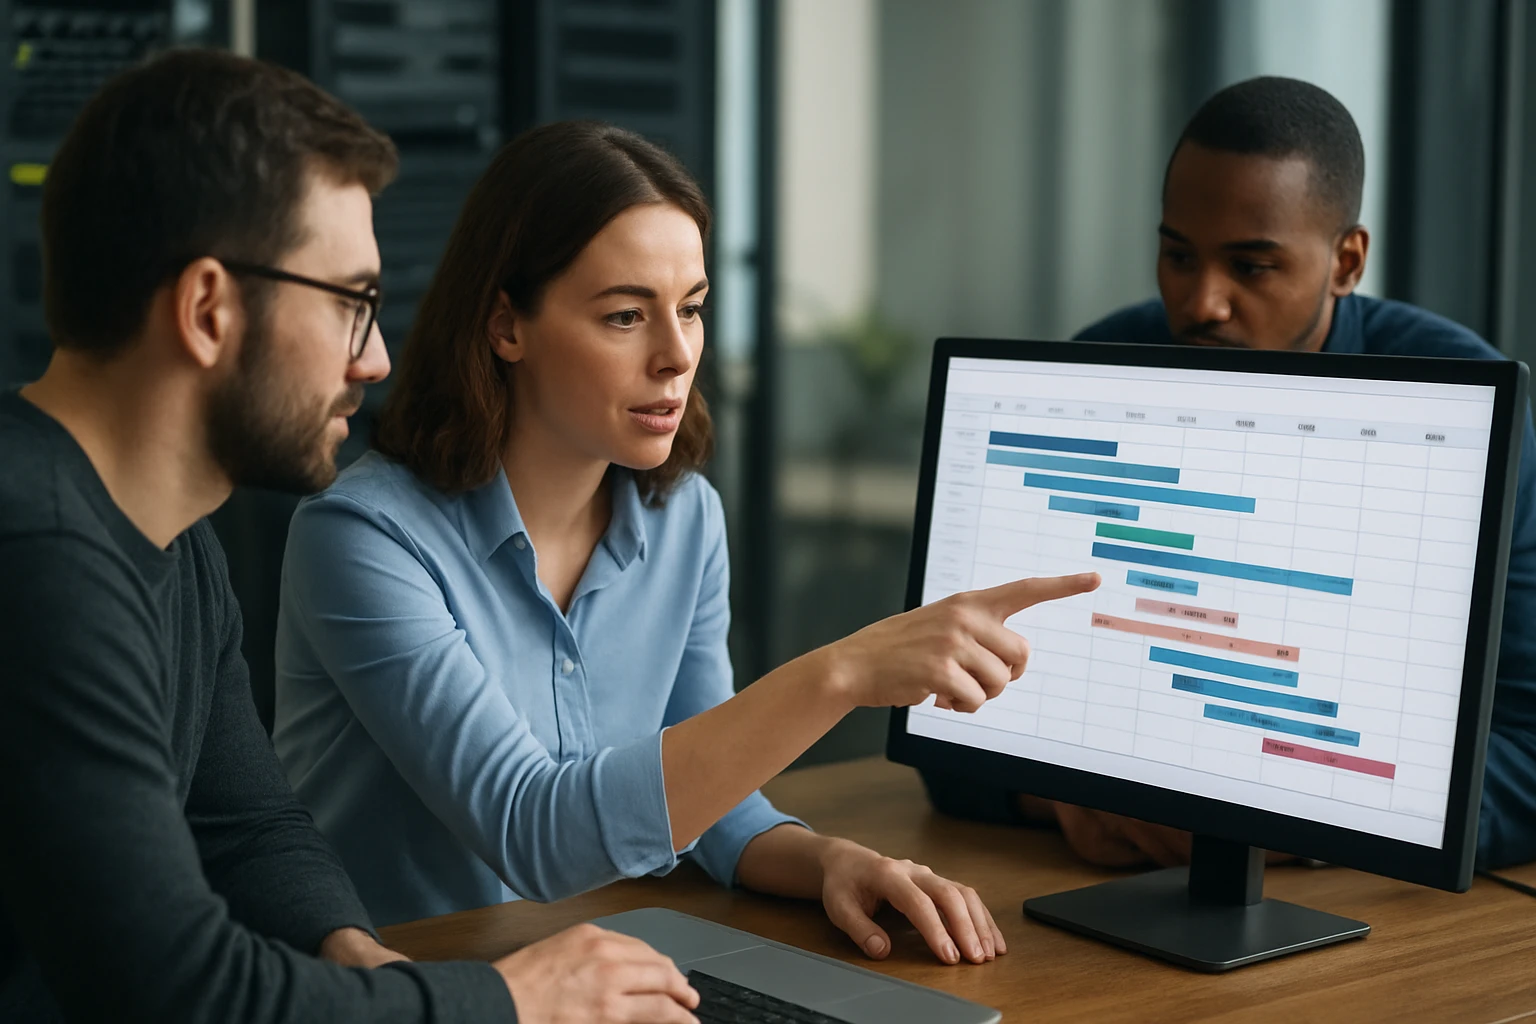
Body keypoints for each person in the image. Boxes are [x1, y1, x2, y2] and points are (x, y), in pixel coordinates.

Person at [271, 119, 1101, 967]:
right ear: (505, 325)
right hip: (393, 994)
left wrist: (829, 860)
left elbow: (708, 789)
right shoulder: (363, 538)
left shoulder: (685, 521)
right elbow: (533, 834)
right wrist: (844, 672)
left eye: (693, 309)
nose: (677, 356)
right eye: (626, 315)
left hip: (570, 977)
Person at [0, 49, 708, 1024]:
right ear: (209, 308)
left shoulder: (166, 534)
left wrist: (363, 960)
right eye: (350, 301)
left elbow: (249, 829)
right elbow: (181, 989)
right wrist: (508, 999)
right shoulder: (36, 552)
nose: (375, 357)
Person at [922, 75, 1536, 872]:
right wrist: (1058, 795)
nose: (1201, 302)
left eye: (1250, 268)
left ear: (1346, 262)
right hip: (1089, 884)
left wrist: (1284, 821)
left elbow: (1526, 752)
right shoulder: (1096, 375)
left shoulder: (1462, 413)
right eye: (1178, 255)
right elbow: (946, 713)